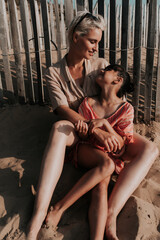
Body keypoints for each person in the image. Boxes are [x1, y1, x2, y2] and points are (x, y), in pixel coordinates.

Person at [26, 11, 159, 240]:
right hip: (77, 134)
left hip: (106, 137)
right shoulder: (54, 72)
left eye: (98, 42)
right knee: (58, 129)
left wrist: (108, 132)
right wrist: (95, 130)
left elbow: (117, 105)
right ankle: (40, 213)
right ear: (76, 37)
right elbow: (62, 109)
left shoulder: (100, 67)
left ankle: (111, 214)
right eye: (92, 41)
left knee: (150, 149)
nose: (96, 47)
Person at [44, 64, 135, 240]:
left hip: (108, 157)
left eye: (107, 70)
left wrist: (106, 124)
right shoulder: (88, 102)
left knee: (102, 185)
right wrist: (84, 131)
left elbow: (122, 147)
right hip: (86, 150)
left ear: (118, 80)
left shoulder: (126, 109)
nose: (101, 71)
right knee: (106, 164)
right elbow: (80, 135)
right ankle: (59, 208)